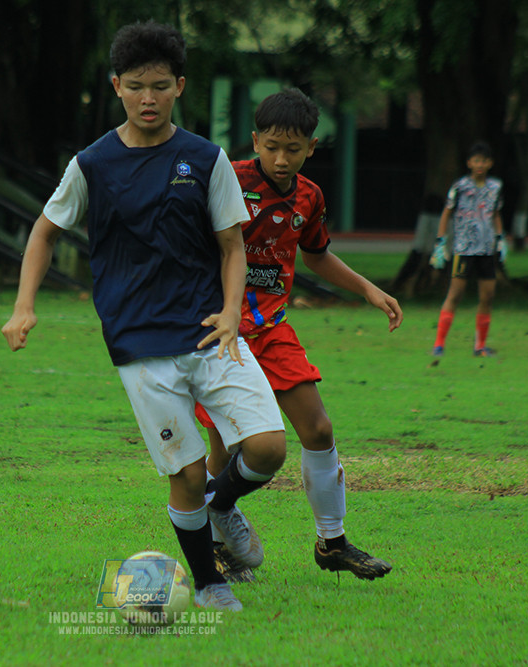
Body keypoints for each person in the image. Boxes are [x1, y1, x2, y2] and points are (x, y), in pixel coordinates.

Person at [0, 20, 287, 612]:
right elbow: (45, 231)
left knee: (267, 448)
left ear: (180, 85)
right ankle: (209, 583)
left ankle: (222, 504)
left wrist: (233, 312)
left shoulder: (205, 159)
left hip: (211, 333)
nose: (148, 98)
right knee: (183, 474)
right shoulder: (92, 164)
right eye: (135, 86)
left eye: (160, 85)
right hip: (138, 344)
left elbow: (233, 246)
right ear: (116, 87)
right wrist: (24, 306)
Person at [196, 88, 402, 581]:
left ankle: (332, 542)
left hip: (272, 329)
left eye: (293, 148)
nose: (281, 158)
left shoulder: (309, 196)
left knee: (319, 429)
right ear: (255, 141)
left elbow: (316, 254)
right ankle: (215, 541)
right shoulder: (227, 180)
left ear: (312, 146)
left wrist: (369, 290)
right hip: (220, 331)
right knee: (226, 445)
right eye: (271, 147)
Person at [430, 141, 505, 357]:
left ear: (490, 163)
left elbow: (496, 214)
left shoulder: (495, 188)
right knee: (455, 293)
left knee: (488, 296)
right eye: (476, 160)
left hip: (486, 250)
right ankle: (439, 344)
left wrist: (500, 239)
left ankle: (480, 345)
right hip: (464, 249)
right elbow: (447, 212)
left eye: (484, 161)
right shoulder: (460, 186)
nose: (479, 164)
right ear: (469, 163)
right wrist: (440, 242)